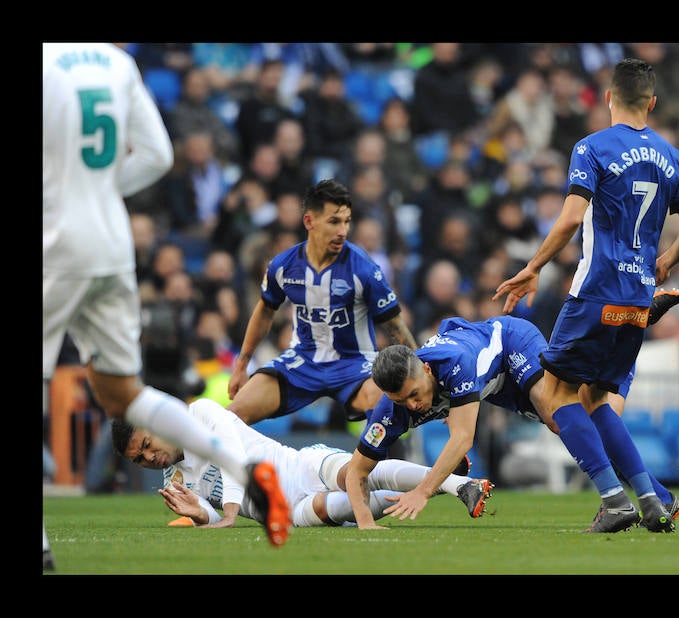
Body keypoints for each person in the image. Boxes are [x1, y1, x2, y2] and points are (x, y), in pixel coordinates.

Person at [42, 43, 291, 564]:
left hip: (58, 239)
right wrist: (104, 193)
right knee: (125, 394)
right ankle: (246, 472)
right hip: (112, 244)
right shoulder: (118, 62)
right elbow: (157, 155)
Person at [492, 58, 679, 533]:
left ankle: (614, 499)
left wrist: (532, 267)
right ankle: (652, 500)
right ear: (651, 103)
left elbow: (570, 218)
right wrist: (667, 258)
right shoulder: (674, 158)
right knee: (597, 397)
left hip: (595, 292)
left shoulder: (592, 147)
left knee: (555, 393)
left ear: (608, 97)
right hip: (636, 299)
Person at [344, 296, 679, 531]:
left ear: (428, 372)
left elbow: (462, 439)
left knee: (559, 413)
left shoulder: (455, 364)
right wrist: (364, 522)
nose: (413, 406)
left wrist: (421, 491)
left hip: (511, 342)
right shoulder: (392, 408)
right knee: (582, 414)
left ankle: (619, 339)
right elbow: (357, 470)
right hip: (498, 385)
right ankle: (661, 499)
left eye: (415, 395)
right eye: (402, 401)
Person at [111, 398, 486, 528]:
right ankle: (445, 483)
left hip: (298, 466)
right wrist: (199, 514)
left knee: (352, 477)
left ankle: (457, 484)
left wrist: (225, 514)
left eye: (145, 444)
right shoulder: (175, 477)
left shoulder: (201, 414)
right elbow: (213, 520)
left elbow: (234, 459)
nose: (149, 457)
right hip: (288, 511)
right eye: (139, 459)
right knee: (333, 508)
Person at [227, 178, 419, 427]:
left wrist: (419, 380)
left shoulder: (364, 269)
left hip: (356, 364)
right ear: (309, 221)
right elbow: (265, 311)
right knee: (229, 417)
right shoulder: (283, 266)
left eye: (347, 222)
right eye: (334, 221)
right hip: (302, 360)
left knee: (389, 412)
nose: (343, 231)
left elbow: (395, 327)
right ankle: (175, 460)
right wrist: (241, 366)